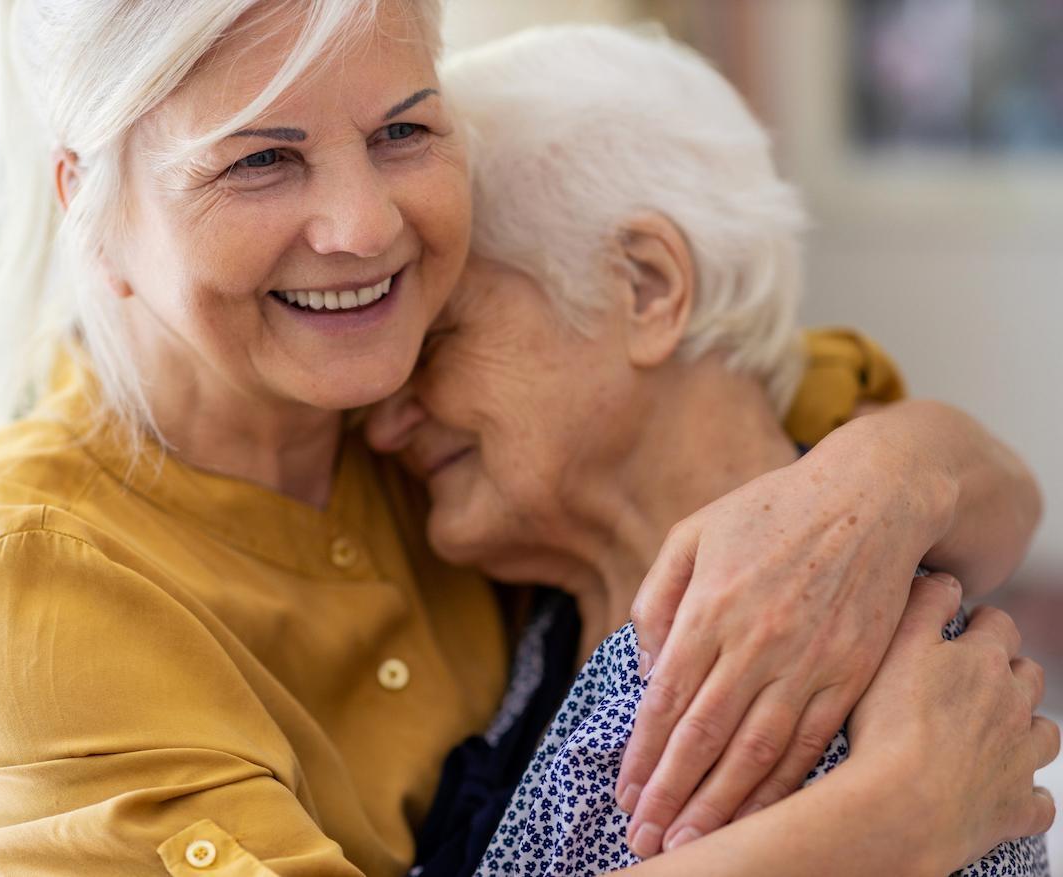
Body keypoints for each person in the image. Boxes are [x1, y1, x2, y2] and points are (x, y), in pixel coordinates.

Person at [0, 3, 1047, 875]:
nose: (364, 226)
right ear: (90, 200)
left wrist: (886, 483)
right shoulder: (12, 597)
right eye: (261, 158)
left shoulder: (410, 431)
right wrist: (893, 821)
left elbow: (912, 458)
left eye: (403, 131)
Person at [365, 24, 1056, 877]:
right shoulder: (542, 624)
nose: (381, 421)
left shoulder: (854, 673)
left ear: (648, 287)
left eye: (436, 340)